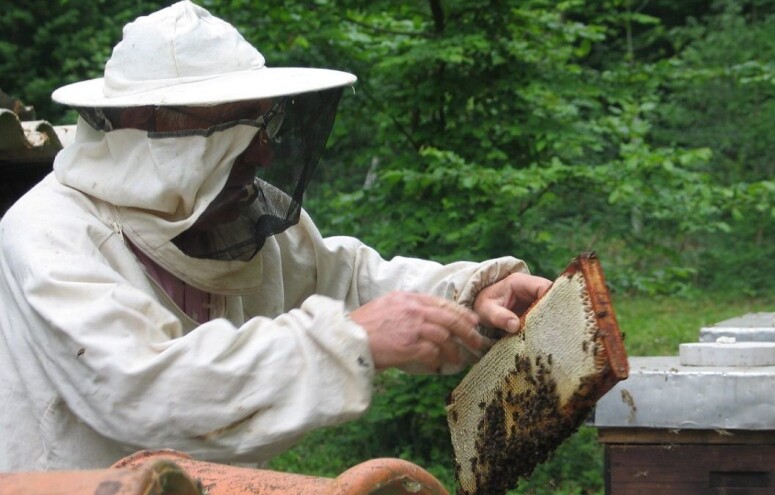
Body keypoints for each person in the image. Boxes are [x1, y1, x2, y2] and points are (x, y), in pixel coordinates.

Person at [0, 1, 552, 472]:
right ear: (150, 125)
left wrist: (468, 292)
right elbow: (144, 389)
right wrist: (349, 341)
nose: (263, 150)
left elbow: (350, 280)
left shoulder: (245, 212)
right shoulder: (50, 233)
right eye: (237, 124)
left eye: (264, 123)